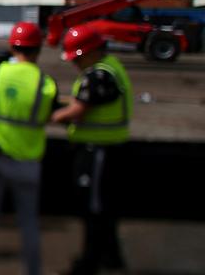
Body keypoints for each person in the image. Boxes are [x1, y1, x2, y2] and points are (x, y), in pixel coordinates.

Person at [0, 22, 58, 275]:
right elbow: (46, 113)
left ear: (11, 46)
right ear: (38, 49)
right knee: (28, 222)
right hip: (25, 161)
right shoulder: (44, 83)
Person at [50, 25, 131, 275]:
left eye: (78, 57)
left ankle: (89, 262)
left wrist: (54, 115)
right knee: (104, 207)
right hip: (107, 149)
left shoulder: (98, 75)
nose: (76, 64)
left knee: (94, 209)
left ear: (92, 51)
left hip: (98, 151)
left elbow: (79, 110)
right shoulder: (110, 67)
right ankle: (111, 256)